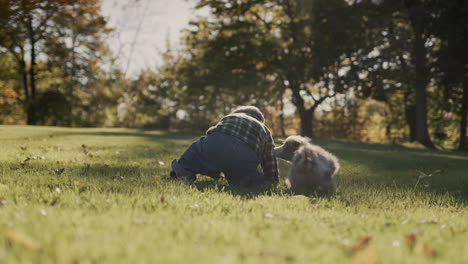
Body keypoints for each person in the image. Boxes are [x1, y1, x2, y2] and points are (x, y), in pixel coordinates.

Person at [170, 106, 278, 189]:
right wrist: (272, 179)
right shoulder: (264, 130)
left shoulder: (230, 118)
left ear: (238, 113)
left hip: (215, 144)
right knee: (247, 176)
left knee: (197, 149)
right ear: (260, 121)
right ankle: (246, 180)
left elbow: (211, 133)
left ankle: (183, 170)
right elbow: (270, 158)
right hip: (243, 157)